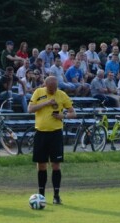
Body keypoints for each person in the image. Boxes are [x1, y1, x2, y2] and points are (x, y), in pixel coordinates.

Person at [28, 76, 76, 205]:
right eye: (50, 89)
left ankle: (56, 195)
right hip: (41, 133)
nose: (52, 91)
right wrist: (46, 103)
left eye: (54, 88)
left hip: (55, 134)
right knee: (41, 165)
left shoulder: (62, 95)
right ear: (45, 85)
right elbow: (30, 109)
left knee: (56, 164)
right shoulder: (38, 92)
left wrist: (63, 115)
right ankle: (41, 195)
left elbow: (73, 113)